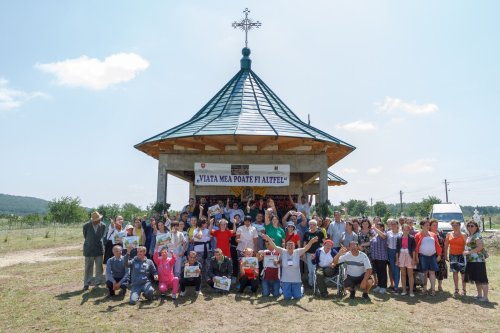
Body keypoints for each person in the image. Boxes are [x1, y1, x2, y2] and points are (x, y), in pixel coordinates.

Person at [262, 233, 318, 300]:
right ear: (286, 246)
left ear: (294, 246)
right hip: (285, 280)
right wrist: (268, 237)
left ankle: (301, 288)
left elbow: (306, 248)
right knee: (287, 297)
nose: (290, 246)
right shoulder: (283, 251)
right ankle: (286, 290)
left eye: (292, 245)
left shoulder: (298, 252)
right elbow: (274, 246)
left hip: (296, 280)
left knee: (297, 297)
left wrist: (311, 241)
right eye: (288, 245)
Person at [415, 219, 442, 296]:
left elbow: (437, 245)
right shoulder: (418, 235)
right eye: (426, 225)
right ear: (422, 226)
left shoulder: (433, 235)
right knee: (424, 273)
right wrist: (416, 257)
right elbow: (416, 247)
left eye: (428, 225)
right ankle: (424, 289)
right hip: (422, 256)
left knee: (432, 272)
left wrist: (439, 255)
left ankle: (433, 290)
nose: (428, 226)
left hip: (432, 256)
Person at [464, 221, 489, 302]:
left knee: (482, 279)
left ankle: (485, 297)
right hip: (471, 260)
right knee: (476, 278)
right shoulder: (470, 236)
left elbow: (480, 247)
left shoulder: (477, 235)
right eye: (469, 226)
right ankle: (479, 295)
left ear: (476, 227)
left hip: (478, 260)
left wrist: (468, 252)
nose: (470, 227)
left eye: (472, 226)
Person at [82, 211, 107, 290]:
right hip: (89, 249)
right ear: (93, 220)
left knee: (99, 267)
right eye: (97, 220)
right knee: (88, 267)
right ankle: (87, 283)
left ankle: (98, 282)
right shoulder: (86, 226)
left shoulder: (103, 225)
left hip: (99, 249)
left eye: (100, 219)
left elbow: (101, 236)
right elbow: (85, 236)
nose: (99, 220)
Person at [443, 219, 467, 296]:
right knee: (455, 273)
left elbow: (467, 246)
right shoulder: (449, 234)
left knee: (463, 273)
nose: (455, 227)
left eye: (457, 225)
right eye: (453, 225)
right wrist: (445, 255)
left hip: (462, 256)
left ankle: (464, 290)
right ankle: (456, 289)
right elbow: (446, 245)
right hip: (452, 255)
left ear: (460, 226)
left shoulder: (464, 234)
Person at [303, 219, 325, 288]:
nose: (312, 226)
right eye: (310, 224)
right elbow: (304, 244)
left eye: (313, 224)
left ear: (316, 225)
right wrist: (303, 253)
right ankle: (311, 284)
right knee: (310, 270)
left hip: (317, 254)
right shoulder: (306, 233)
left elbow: (324, 243)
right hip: (309, 254)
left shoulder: (320, 233)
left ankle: (317, 284)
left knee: (316, 270)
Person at [396, 223, 416, 296]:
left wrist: (413, 259)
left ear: (409, 230)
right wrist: (397, 259)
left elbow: (414, 250)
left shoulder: (412, 238)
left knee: (410, 274)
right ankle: (404, 290)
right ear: (402, 230)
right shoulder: (399, 238)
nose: (406, 231)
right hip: (401, 256)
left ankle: (411, 291)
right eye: (404, 230)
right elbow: (397, 250)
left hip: (409, 256)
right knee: (403, 274)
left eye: (407, 230)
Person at [429, 218, 448, 292]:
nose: (435, 226)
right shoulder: (428, 233)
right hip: (431, 255)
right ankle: (432, 286)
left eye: (436, 225)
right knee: (431, 271)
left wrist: (444, 254)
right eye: (434, 225)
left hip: (441, 254)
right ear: (430, 226)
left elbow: (445, 243)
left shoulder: (441, 233)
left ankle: (440, 286)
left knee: (441, 270)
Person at [193, 218, 212, 283]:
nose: (207, 224)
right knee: (199, 265)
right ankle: (199, 280)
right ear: (202, 224)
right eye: (206, 223)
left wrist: (211, 224)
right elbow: (199, 237)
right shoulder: (195, 230)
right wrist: (200, 230)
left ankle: (207, 279)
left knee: (207, 265)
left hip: (208, 250)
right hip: (199, 251)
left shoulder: (207, 230)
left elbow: (210, 237)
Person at [371, 221, 388, 294]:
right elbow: (370, 242)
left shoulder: (384, 234)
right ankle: (379, 286)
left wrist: (374, 228)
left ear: (382, 228)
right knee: (378, 272)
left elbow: (383, 236)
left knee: (383, 273)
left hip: (382, 257)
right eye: (376, 227)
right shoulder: (375, 235)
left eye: (378, 227)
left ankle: (383, 287)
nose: (376, 229)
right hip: (375, 257)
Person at [385, 218, 401, 293]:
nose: (393, 225)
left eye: (394, 224)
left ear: (397, 225)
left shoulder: (400, 233)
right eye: (392, 224)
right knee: (392, 269)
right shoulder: (388, 233)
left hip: (398, 253)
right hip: (390, 252)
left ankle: (396, 286)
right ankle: (395, 285)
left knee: (397, 269)